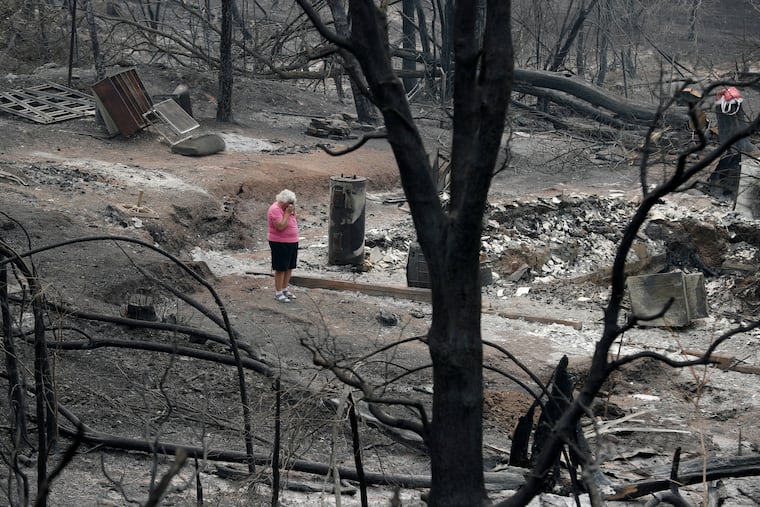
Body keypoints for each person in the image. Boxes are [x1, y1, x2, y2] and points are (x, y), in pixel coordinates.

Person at [268, 189, 299, 302]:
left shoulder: (288, 209)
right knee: (281, 268)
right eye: (289, 202)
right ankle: (278, 292)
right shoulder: (275, 210)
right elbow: (280, 227)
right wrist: (286, 214)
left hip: (292, 241)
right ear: (283, 201)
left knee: (289, 267)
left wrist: (292, 213)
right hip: (280, 242)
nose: (291, 205)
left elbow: (294, 221)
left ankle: (285, 288)